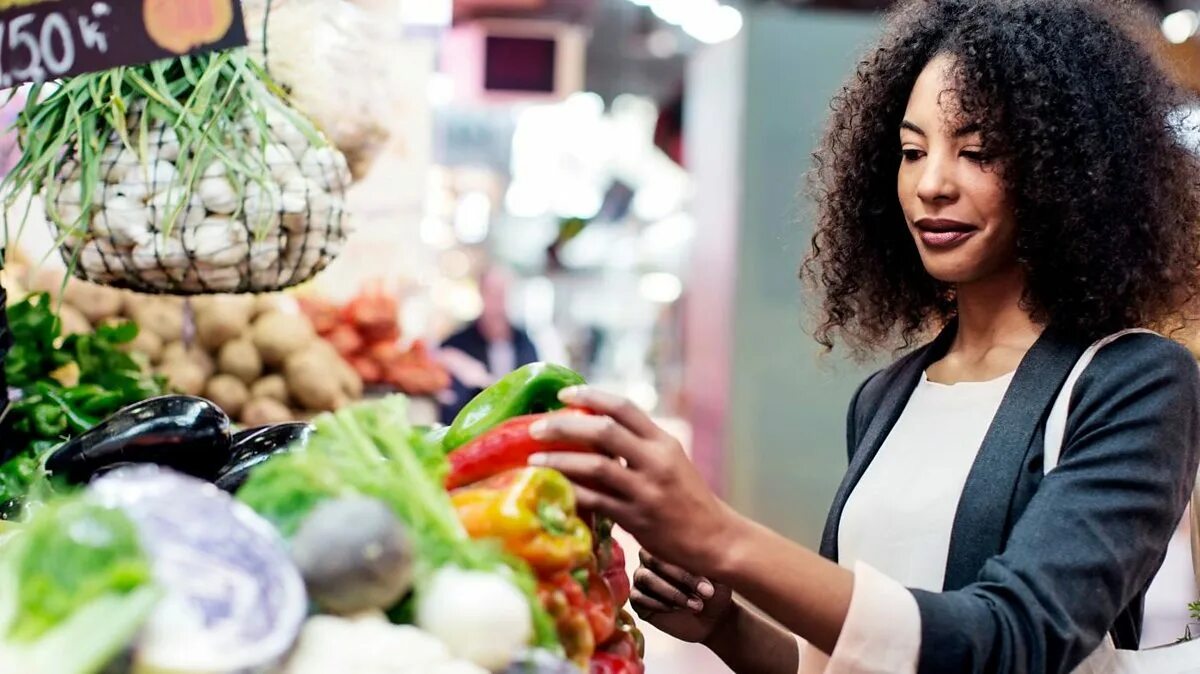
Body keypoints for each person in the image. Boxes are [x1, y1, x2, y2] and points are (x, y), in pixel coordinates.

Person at [523, 1, 1200, 672]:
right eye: (912, 151)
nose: (931, 184)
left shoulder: (1133, 383)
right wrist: (725, 627)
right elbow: (841, 660)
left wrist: (720, 535)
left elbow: (1013, 640)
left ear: (1067, 171)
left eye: (977, 152)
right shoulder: (888, 395)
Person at [438, 266, 541, 425]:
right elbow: (448, 402)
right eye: (492, 292)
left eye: (503, 293)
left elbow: (535, 391)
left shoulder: (525, 343)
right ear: (481, 294)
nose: (498, 300)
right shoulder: (456, 344)